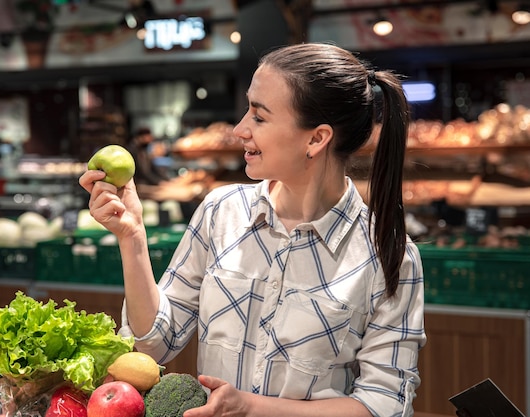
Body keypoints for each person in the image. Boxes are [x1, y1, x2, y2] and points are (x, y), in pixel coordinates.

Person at [79, 42, 426, 417]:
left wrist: (249, 408)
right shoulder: (221, 212)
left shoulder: (389, 256)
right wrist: (132, 238)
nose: (239, 129)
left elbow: (384, 405)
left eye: (259, 117)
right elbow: (154, 346)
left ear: (316, 138)